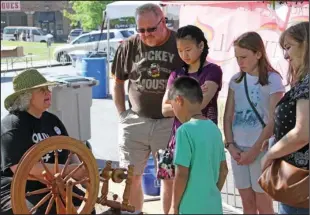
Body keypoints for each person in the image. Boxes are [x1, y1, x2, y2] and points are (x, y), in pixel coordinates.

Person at [111, 3, 183, 213]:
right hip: (136, 120)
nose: (146, 35)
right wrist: (122, 115)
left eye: (151, 29)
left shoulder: (179, 43)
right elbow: (117, 82)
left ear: (163, 21)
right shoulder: (130, 45)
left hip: (168, 122)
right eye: (141, 30)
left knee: (169, 177)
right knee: (132, 175)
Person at [0, 69, 94, 214]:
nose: (48, 93)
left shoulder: (52, 120)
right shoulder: (12, 126)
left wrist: (83, 174)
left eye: (48, 89)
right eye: (42, 90)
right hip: (19, 189)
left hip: (56, 184)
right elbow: (23, 169)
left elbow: (70, 151)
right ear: (26, 96)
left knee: (87, 207)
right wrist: (69, 171)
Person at [158, 25, 223, 214]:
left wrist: (178, 103)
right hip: (177, 137)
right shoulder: (176, 74)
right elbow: (164, 108)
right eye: (179, 51)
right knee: (169, 182)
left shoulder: (212, 71)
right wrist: (187, 102)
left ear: (201, 46)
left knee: (195, 179)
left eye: (188, 49)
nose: (184, 55)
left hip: (202, 136)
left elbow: (200, 105)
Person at [223, 31, 285, 214]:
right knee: (247, 202)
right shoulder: (235, 80)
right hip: (238, 149)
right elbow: (227, 116)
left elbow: (274, 119)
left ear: (258, 54)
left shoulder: (273, 80)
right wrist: (230, 144)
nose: (240, 62)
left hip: (261, 149)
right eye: (237, 57)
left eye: (244, 57)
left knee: (263, 203)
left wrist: (255, 150)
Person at [261, 21, 309, 215]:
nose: (286, 55)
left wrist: (271, 153)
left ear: (306, 45)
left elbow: (302, 133)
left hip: (299, 180)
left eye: (288, 47)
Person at [166, 76, 228, 214]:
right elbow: (224, 170)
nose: (174, 111)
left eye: (172, 106)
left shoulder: (184, 131)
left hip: (190, 207)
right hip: (214, 206)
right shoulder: (214, 129)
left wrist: (174, 207)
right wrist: (211, 194)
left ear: (179, 100)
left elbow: (181, 174)